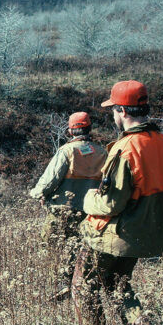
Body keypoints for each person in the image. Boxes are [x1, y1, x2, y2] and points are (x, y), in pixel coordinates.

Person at [72, 80, 163, 325]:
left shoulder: (126, 149)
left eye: (113, 110)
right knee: (117, 284)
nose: (113, 115)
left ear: (122, 111)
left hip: (116, 235)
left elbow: (110, 203)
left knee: (82, 285)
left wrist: (86, 200)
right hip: (147, 234)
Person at [30, 112, 107, 296]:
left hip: (62, 209)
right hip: (89, 211)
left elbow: (50, 179)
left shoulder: (67, 151)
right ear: (89, 129)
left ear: (70, 130)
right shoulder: (102, 152)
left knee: (51, 246)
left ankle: (58, 285)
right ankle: (75, 282)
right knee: (79, 247)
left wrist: (38, 193)